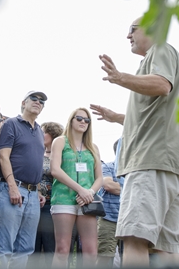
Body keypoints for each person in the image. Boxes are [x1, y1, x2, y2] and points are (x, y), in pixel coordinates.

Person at [90, 18, 179, 267]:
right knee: (166, 247)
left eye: (132, 30)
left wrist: (120, 77)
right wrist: (116, 117)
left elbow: (161, 85)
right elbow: (153, 115)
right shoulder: (164, 56)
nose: (128, 36)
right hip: (171, 165)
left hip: (151, 163)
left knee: (134, 238)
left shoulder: (160, 49)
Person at [0, 91, 48, 269]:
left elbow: (35, 162)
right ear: (23, 102)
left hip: (33, 195)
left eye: (42, 101)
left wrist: (38, 191)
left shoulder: (40, 130)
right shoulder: (11, 124)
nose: (38, 102)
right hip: (13, 188)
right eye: (34, 99)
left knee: (26, 248)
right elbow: (4, 157)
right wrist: (12, 187)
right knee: (4, 246)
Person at [50, 108, 103, 268]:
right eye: (79, 118)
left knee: (91, 251)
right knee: (62, 249)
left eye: (87, 120)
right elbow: (55, 170)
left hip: (87, 202)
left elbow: (100, 178)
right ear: (71, 120)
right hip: (63, 199)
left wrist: (90, 192)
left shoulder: (93, 147)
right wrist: (80, 189)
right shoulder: (60, 141)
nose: (83, 122)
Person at [33, 121, 65, 265]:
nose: (40, 134)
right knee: (33, 246)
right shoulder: (36, 152)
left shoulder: (61, 155)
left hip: (51, 205)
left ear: (53, 135)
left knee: (49, 246)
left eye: (43, 131)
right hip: (33, 203)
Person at [97, 139, 125, 268]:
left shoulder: (136, 172)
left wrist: (119, 187)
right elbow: (108, 185)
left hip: (129, 221)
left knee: (129, 258)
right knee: (105, 257)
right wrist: (133, 191)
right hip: (109, 219)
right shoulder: (107, 167)